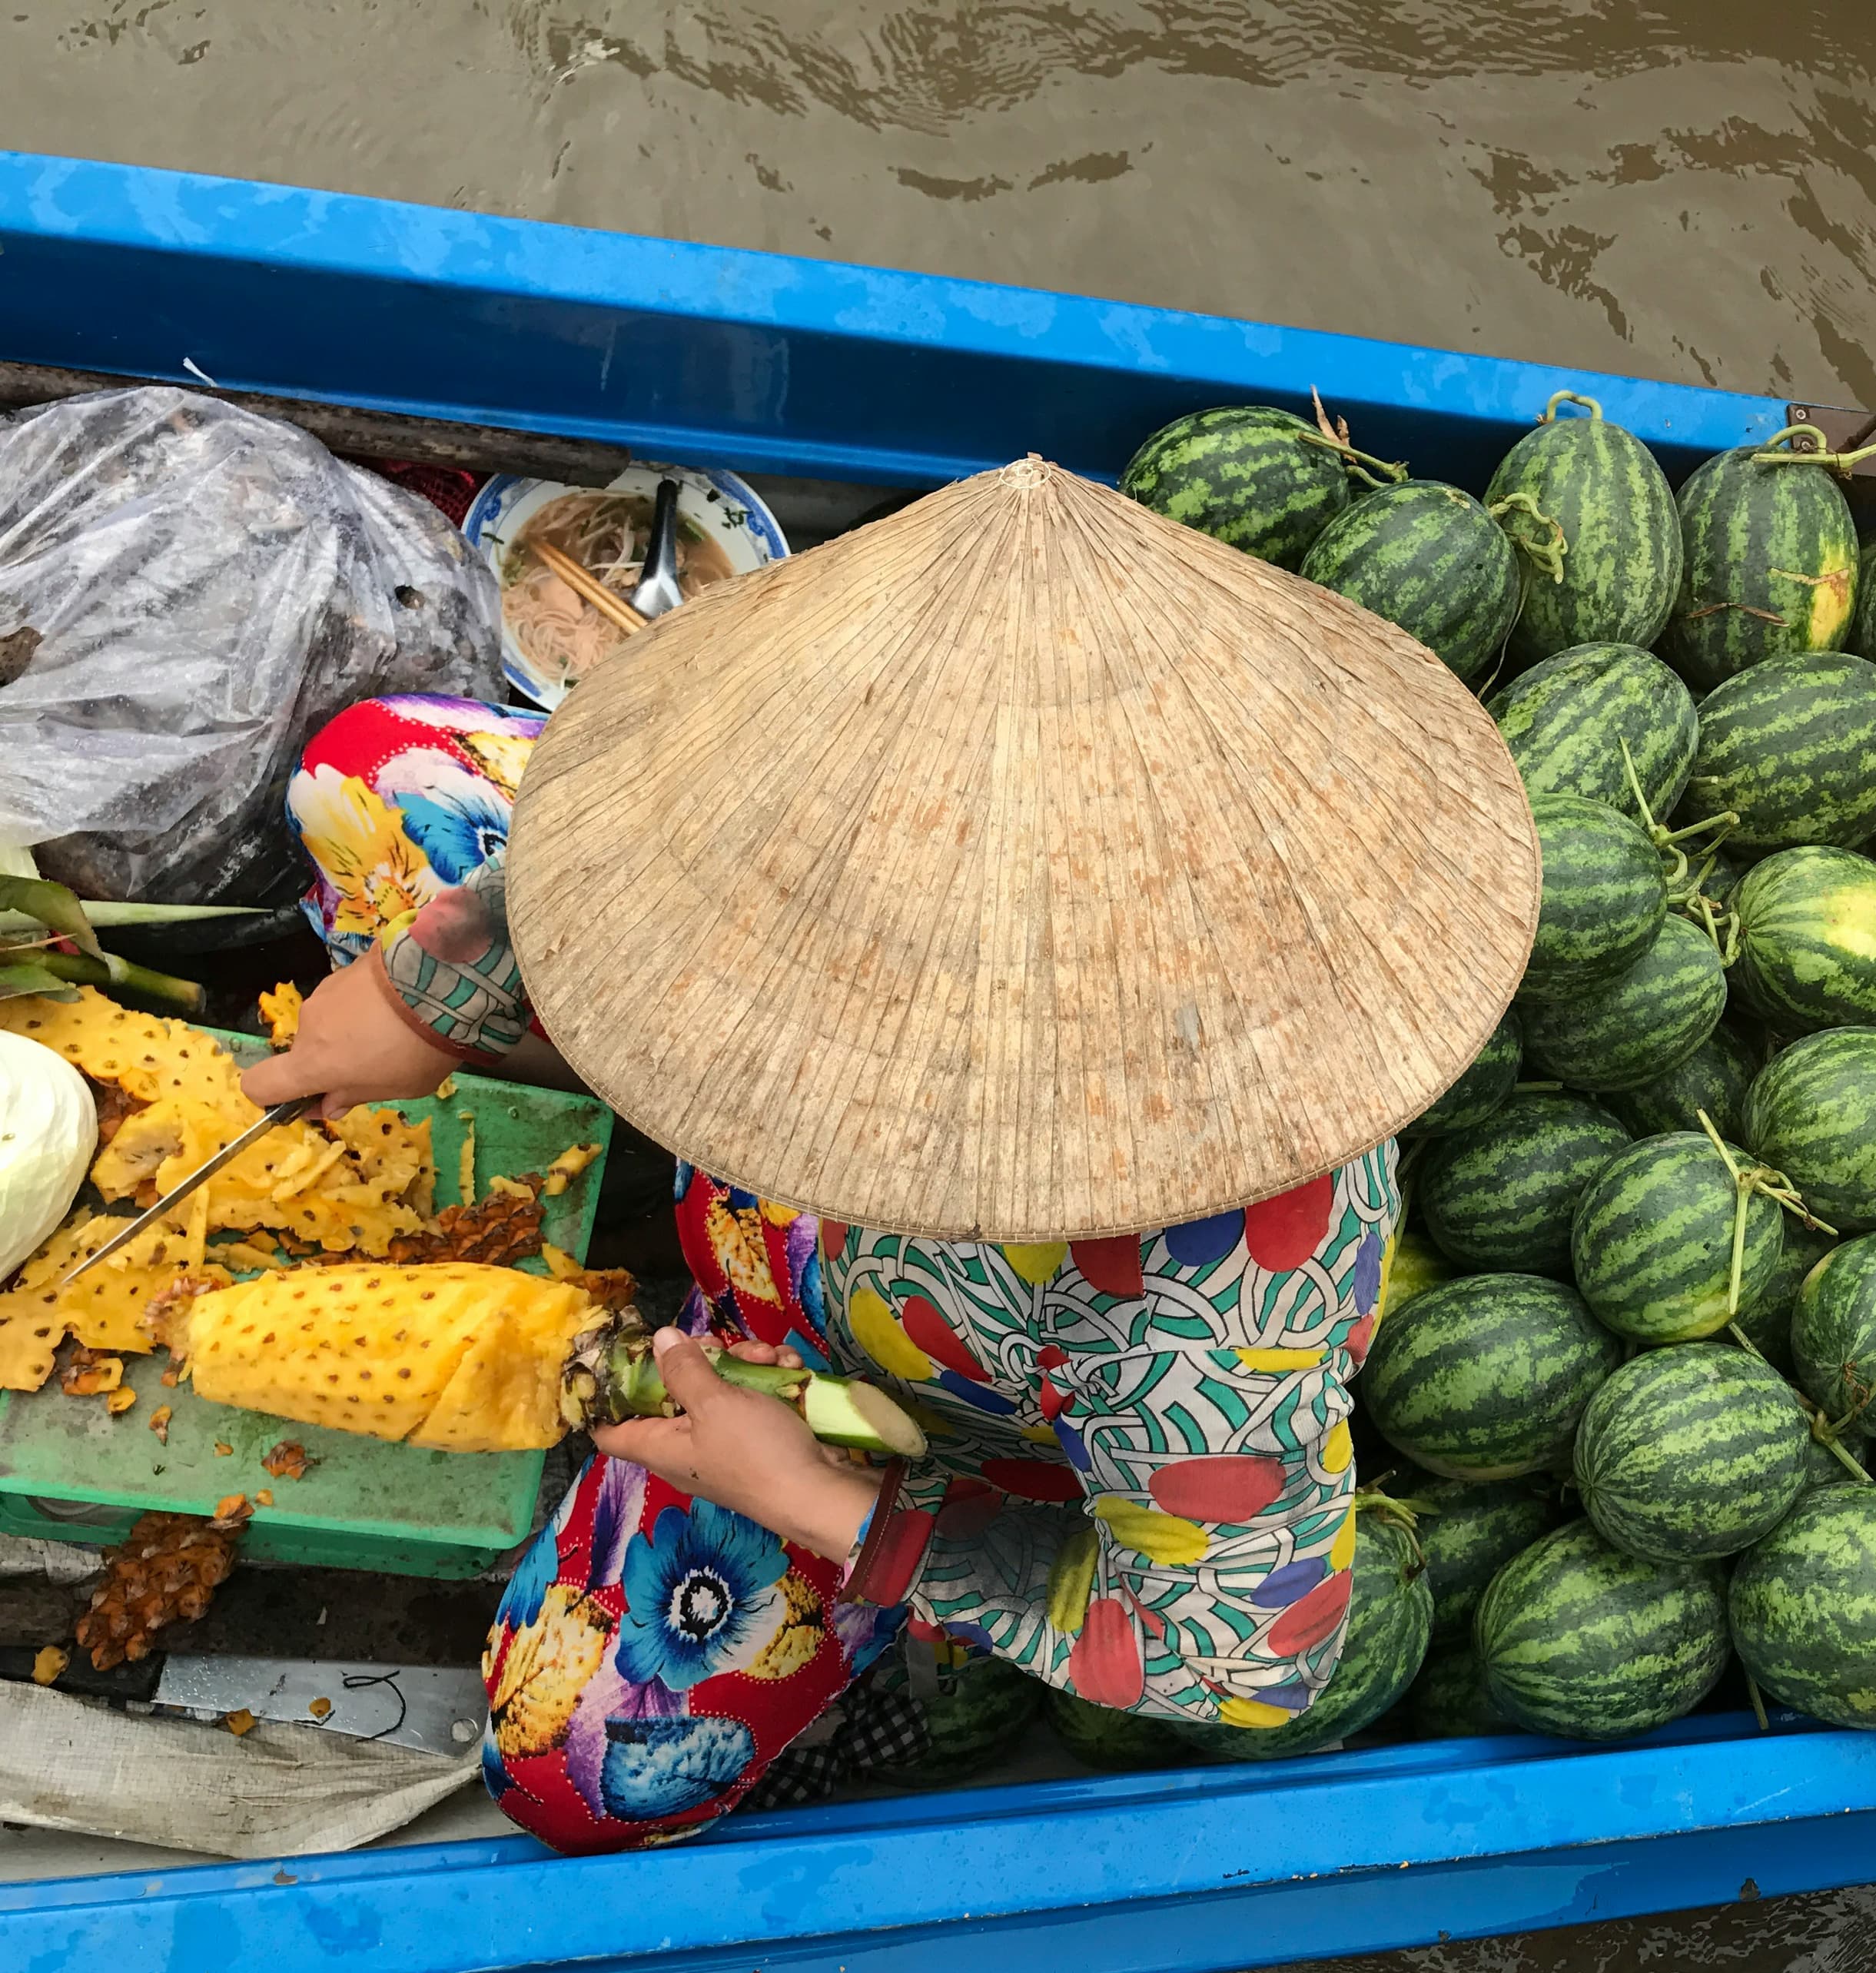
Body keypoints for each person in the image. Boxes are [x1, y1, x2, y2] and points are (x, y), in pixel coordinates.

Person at [246, 458, 1536, 1852]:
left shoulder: (1208, 1308)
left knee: (577, 1764)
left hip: (859, 1402)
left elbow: (1242, 1658)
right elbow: (654, 827)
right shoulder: (821, 736)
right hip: (751, 1198)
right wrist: (427, 993)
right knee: (366, 775)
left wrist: (804, 1494)